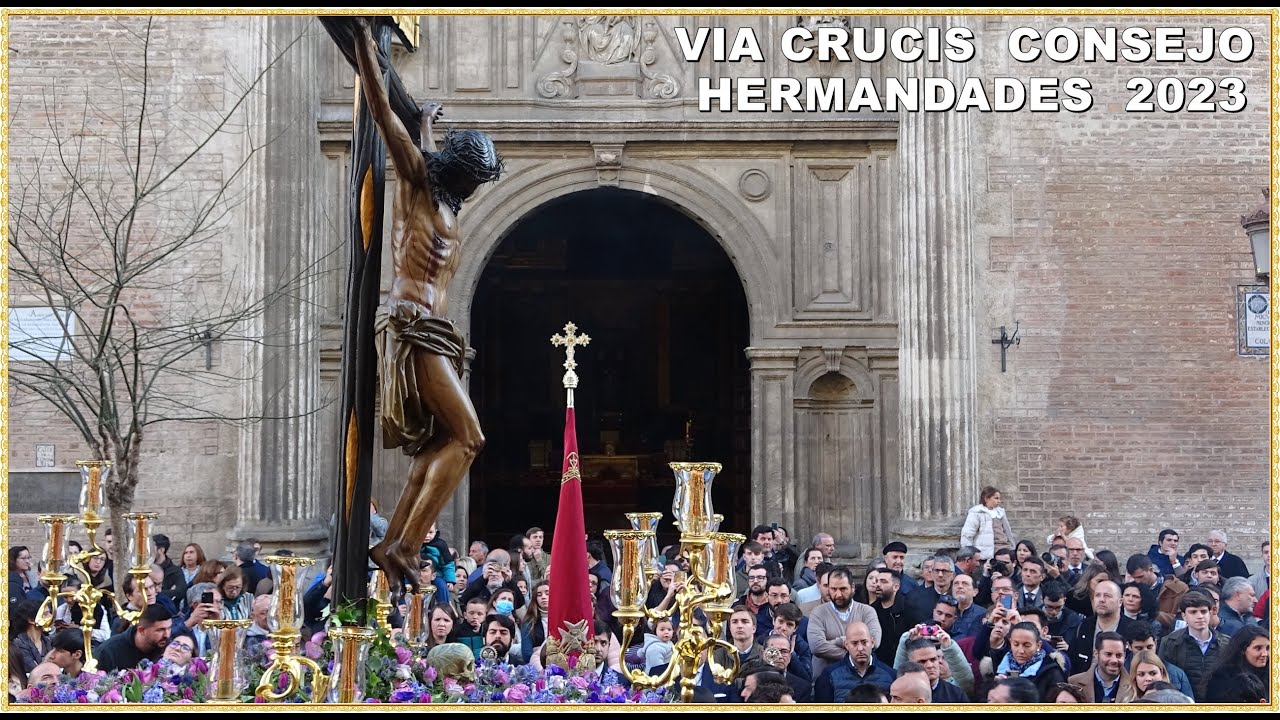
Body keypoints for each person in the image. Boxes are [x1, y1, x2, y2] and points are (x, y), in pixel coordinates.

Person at [352, 17, 504, 594]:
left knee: (442, 442)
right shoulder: (417, 183)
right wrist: (367, 49)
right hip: (411, 323)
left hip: (433, 329)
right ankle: (406, 544)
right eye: (471, 178)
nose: (473, 188)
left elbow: (423, 149)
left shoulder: (444, 195)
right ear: (456, 172)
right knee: (469, 437)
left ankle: (394, 542)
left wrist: (425, 125)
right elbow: (382, 117)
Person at [95, 605, 173, 672]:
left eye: (169, 628)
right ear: (141, 630)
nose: (166, 635)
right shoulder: (109, 652)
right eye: (160, 630)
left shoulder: (170, 647)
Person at [1202, 624, 1269, 703]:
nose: (1265, 654)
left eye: (1268, 648)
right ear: (1242, 650)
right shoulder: (1223, 679)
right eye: (1258, 648)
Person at [960, 486, 1015, 561]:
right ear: (987, 499)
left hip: (1003, 547)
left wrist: (1012, 545)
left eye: (999, 498)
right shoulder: (977, 512)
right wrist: (969, 553)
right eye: (996, 498)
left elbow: (1007, 531)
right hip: (987, 551)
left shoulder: (1000, 512)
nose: (999, 501)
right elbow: (967, 534)